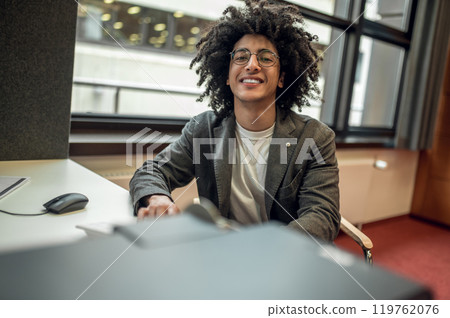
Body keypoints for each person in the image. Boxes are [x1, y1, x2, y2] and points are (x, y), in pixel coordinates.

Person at [129, 0, 340, 242]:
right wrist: (158, 198)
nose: (252, 65)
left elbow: (322, 215)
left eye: (266, 58)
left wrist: (261, 246)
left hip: (282, 260)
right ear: (228, 76)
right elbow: (151, 171)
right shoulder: (203, 129)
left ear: (282, 77)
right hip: (220, 254)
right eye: (241, 57)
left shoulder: (315, 138)